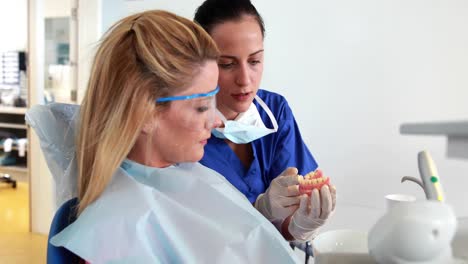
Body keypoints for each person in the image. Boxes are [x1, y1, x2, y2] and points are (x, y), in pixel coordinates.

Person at [27, 10, 300, 263]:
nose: (217, 120)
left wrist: (276, 218)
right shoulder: (118, 233)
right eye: (202, 107)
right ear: (145, 112)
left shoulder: (192, 176)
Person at [194, 0, 336, 242]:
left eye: (254, 61)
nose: (245, 80)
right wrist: (259, 211)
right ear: (198, 62)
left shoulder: (275, 111)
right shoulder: (183, 129)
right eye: (227, 64)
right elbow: (188, 234)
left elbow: (286, 226)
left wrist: (302, 224)